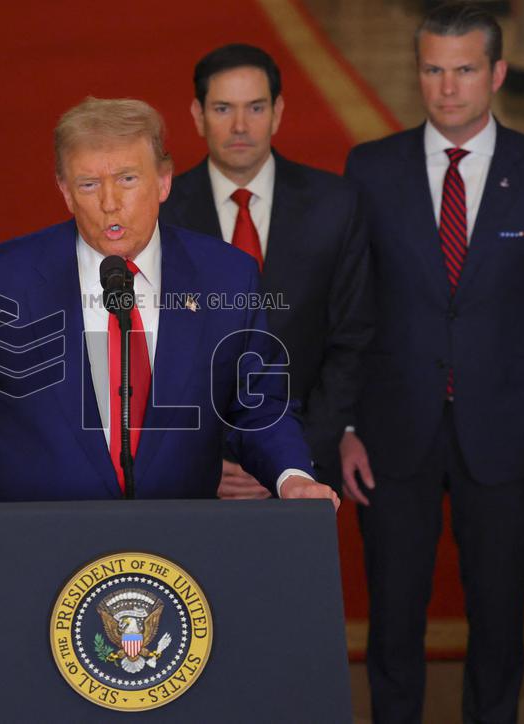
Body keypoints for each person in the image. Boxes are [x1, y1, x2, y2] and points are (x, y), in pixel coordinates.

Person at [0, 97, 338, 557]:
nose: (110, 203)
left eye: (128, 179)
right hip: (30, 551)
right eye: (89, 184)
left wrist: (295, 479)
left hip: (177, 552)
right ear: (66, 191)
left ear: (164, 181)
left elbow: (258, 405)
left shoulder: (226, 276)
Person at [341, 3, 524, 722]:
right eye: (433, 69)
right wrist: (349, 424)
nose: (447, 88)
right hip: (393, 433)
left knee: (498, 617)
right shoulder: (370, 167)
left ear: (497, 74)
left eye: (463, 70)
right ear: (417, 72)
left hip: (508, 433)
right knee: (393, 617)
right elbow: (349, 309)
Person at [160, 43, 372, 499]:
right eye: (223, 108)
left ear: (277, 113)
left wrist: (288, 462)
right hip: (191, 476)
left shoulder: (336, 205)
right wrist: (202, 462)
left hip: (304, 470)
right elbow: (146, 353)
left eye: (255, 108)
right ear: (197, 115)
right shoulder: (161, 215)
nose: (240, 126)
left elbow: (352, 340)